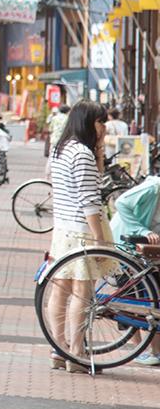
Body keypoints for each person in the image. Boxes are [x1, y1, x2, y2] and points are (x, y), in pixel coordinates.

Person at [44, 100, 112, 373]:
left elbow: (93, 180)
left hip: (62, 230)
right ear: (87, 123)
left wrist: (99, 149)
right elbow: (90, 201)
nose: (104, 128)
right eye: (100, 122)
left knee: (60, 291)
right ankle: (77, 353)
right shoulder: (81, 154)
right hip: (82, 231)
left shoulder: (60, 150)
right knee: (82, 294)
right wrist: (99, 239)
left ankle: (58, 350)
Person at [109, 175, 160, 366]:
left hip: (145, 250)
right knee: (135, 296)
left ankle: (154, 351)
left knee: (152, 296)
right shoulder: (155, 187)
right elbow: (122, 203)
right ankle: (139, 349)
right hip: (125, 244)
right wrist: (141, 230)